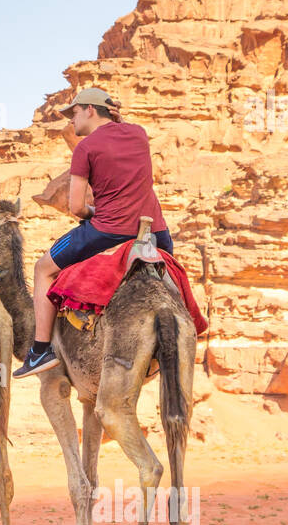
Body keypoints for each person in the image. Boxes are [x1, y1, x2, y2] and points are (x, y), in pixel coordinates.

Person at [13, 88, 174, 378]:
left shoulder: (85, 148)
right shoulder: (138, 133)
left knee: (42, 269)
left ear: (89, 109)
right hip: (155, 232)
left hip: (109, 230)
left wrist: (93, 212)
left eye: (73, 112)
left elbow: (76, 207)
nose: (70, 120)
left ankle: (39, 351)